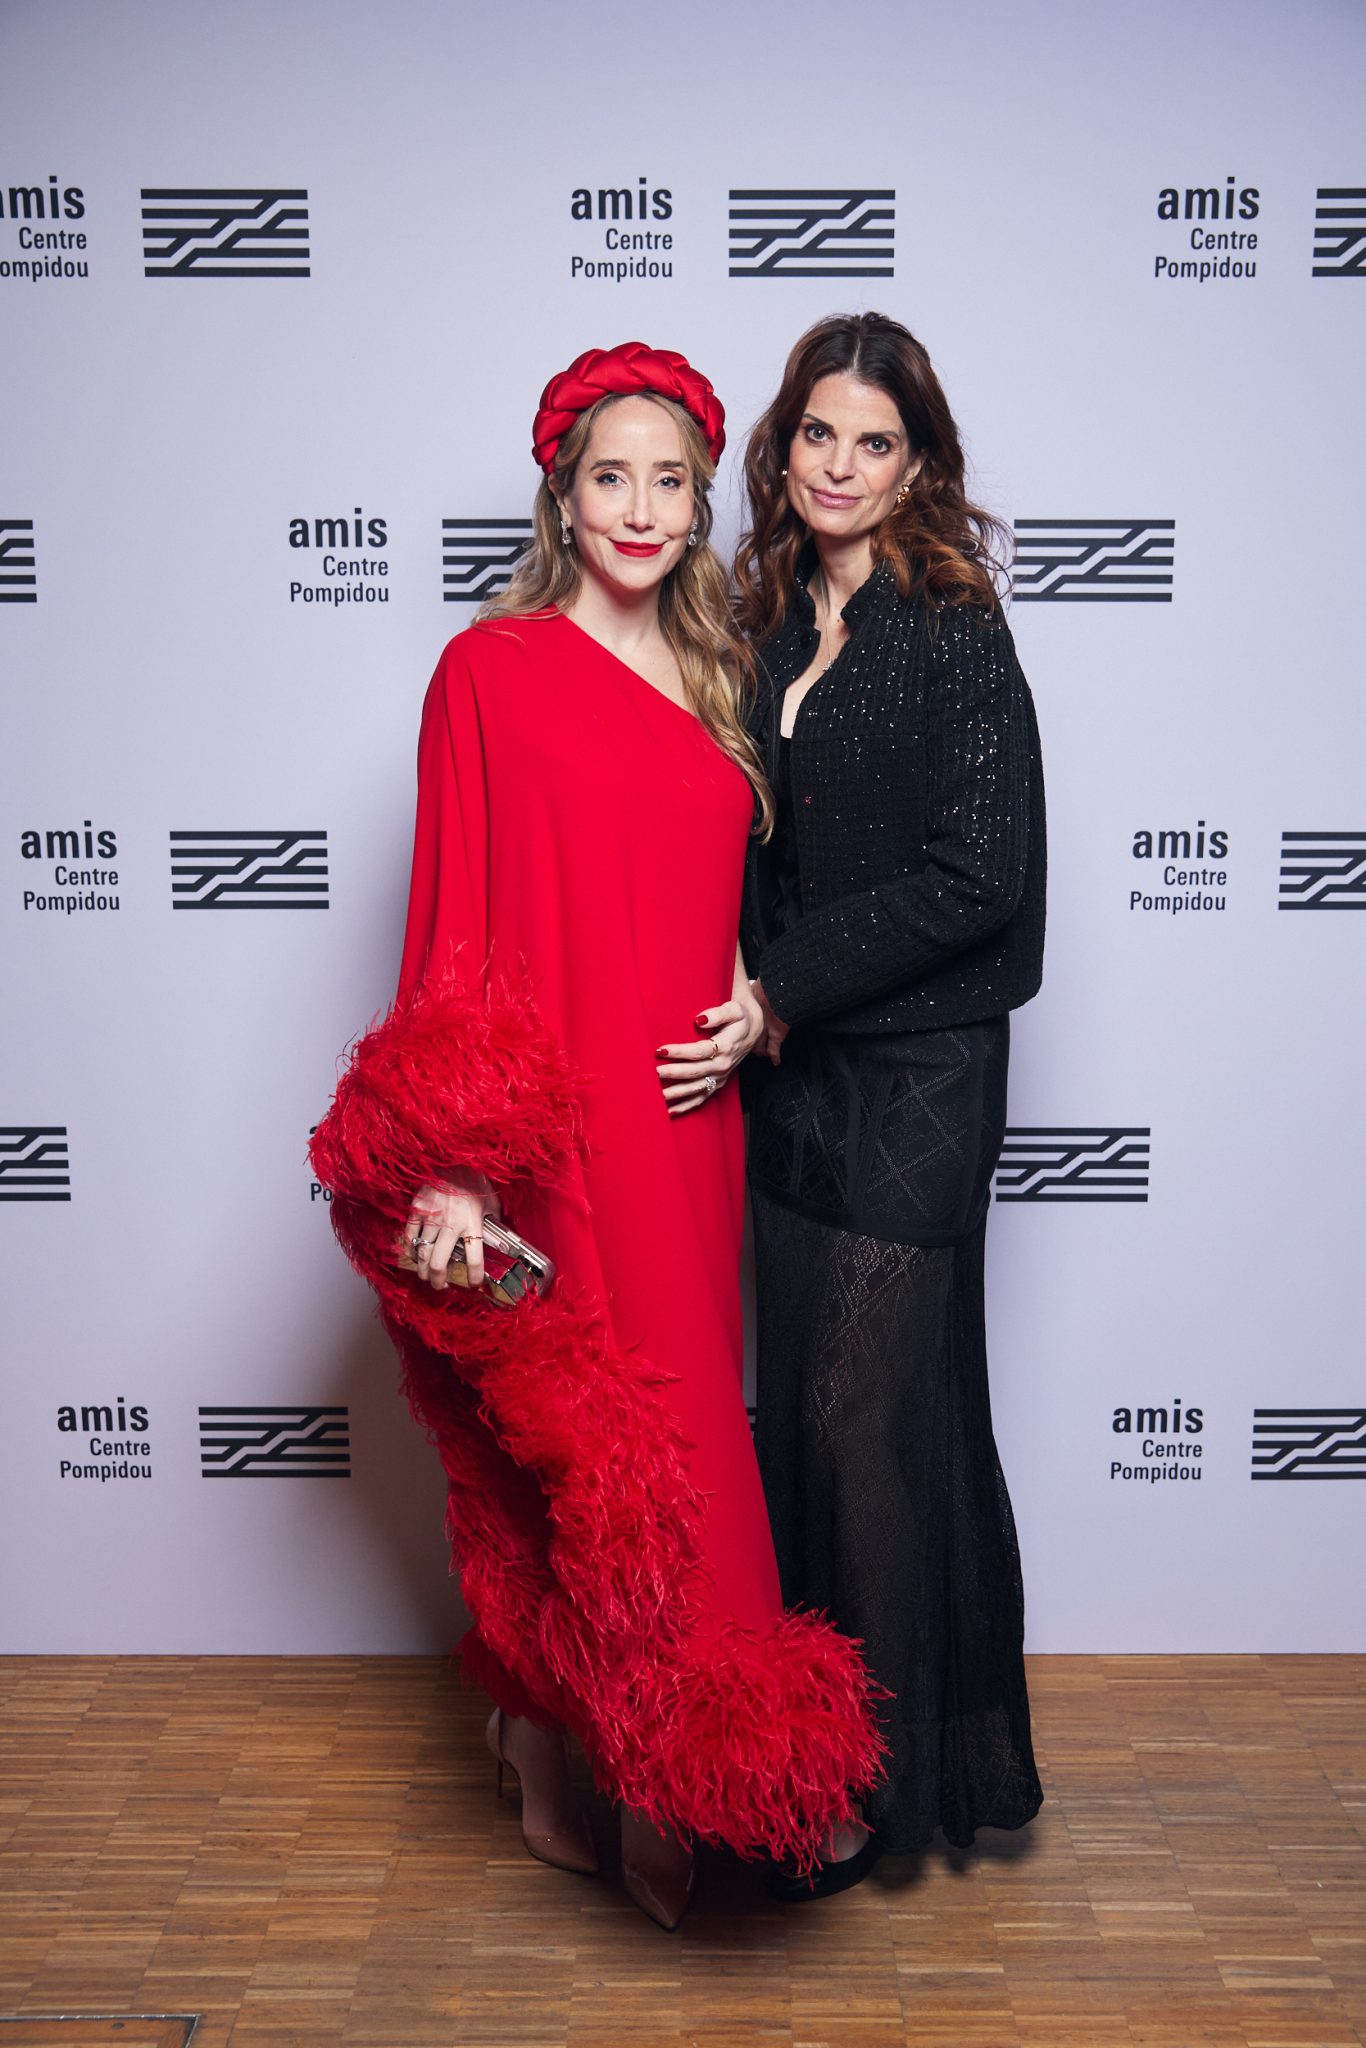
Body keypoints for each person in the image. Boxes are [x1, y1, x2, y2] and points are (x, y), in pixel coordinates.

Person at [310, 341, 883, 1931]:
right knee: (592, 1463)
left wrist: (754, 1003)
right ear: (562, 498)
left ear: (704, 505)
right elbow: (454, 927)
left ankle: (566, 1742)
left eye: (671, 480)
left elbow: (731, 902)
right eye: (610, 475)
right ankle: (645, 1779)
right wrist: (448, 1157)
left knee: (677, 1453)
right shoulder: (488, 673)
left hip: (689, 1125)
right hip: (550, 1129)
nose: (641, 506)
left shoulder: (721, 679)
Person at [735, 312, 1046, 1897]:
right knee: (793, 1414)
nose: (841, 466)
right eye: (816, 435)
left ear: (915, 460)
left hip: (916, 1072)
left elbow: (981, 879)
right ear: (778, 448)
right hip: (791, 1080)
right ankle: (803, 1754)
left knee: (871, 1429)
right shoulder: (768, 620)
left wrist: (782, 981)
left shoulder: (953, 626)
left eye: (874, 440)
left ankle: (885, 1778)